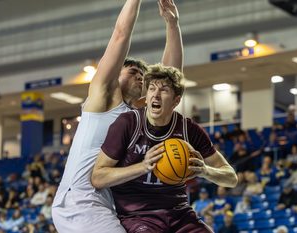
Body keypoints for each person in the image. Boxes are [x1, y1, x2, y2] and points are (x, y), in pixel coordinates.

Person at [52, 0, 184, 232]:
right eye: (133, 71)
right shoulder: (102, 100)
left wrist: (172, 24)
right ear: (115, 76)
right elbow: (120, 35)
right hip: (80, 199)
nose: (140, 77)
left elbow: (170, 79)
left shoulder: (137, 117)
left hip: (106, 203)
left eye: (143, 75)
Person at [91, 64, 238, 232]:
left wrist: (205, 171)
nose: (156, 95)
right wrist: (142, 167)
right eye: (152, 89)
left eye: (164, 90)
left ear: (176, 101)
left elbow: (231, 178)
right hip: (138, 215)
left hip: (180, 213)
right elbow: (98, 177)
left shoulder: (188, 129)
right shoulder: (127, 123)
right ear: (146, 97)